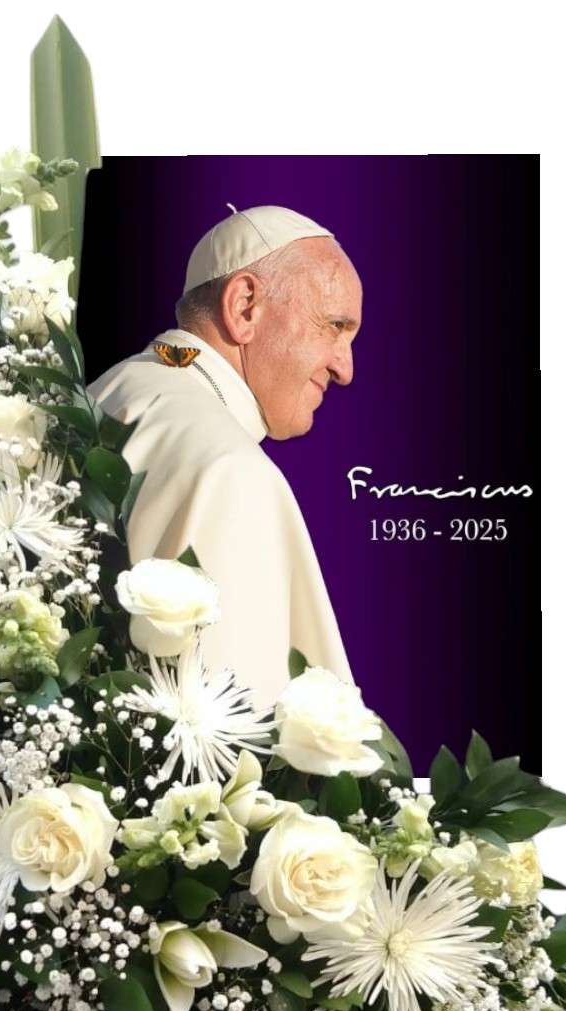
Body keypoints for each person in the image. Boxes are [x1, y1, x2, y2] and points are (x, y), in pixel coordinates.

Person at [87, 205, 363, 711]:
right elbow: (230, 737)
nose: (345, 369)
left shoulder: (114, 387)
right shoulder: (232, 470)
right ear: (245, 307)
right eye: (334, 326)